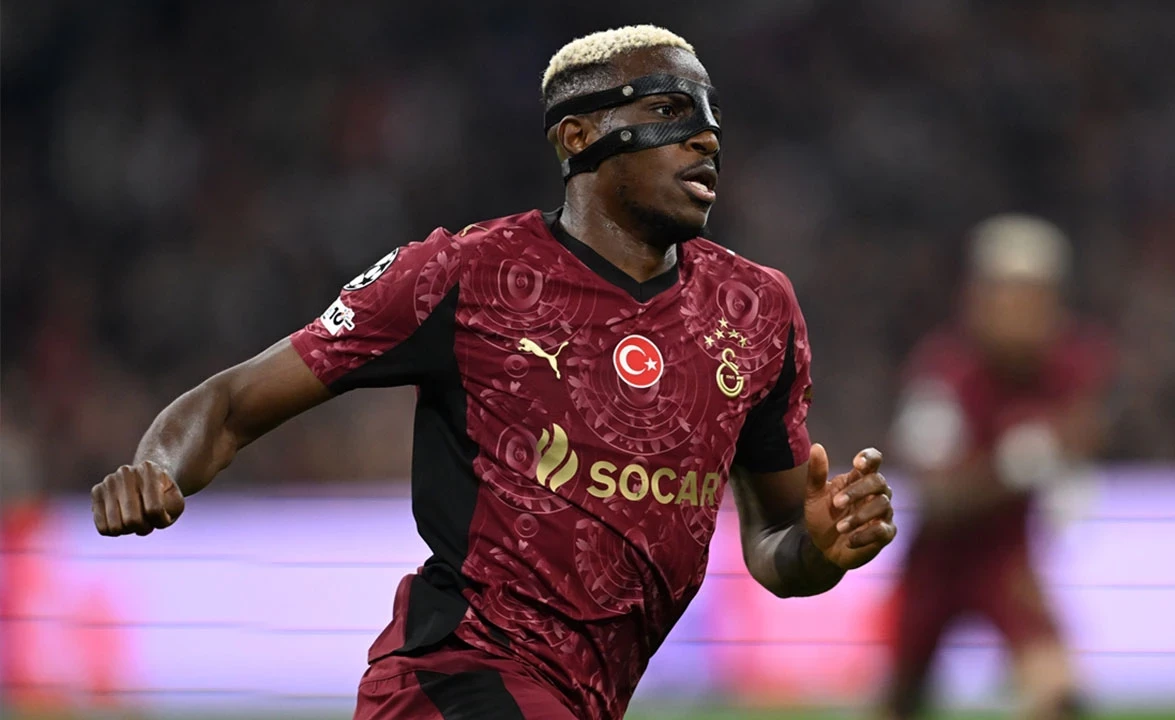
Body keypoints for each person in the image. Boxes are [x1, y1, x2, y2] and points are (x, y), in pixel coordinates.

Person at [90, 25, 897, 720]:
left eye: (711, 117)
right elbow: (231, 403)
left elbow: (777, 542)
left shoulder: (754, 311)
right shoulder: (464, 275)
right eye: (667, 111)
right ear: (577, 137)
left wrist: (824, 548)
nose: (707, 137)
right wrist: (156, 468)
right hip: (450, 677)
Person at [881, 214, 1114, 720]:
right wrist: (1012, 467)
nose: (1023, 314)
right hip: (935, 565)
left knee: (1059, 697)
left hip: (1009, 561)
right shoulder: (945, 374)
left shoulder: (1069, 367)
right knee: (900, 701)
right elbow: (937, 497)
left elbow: (1082, 437)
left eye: (1036, 298)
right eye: (1010, 297)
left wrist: (1064, 471)